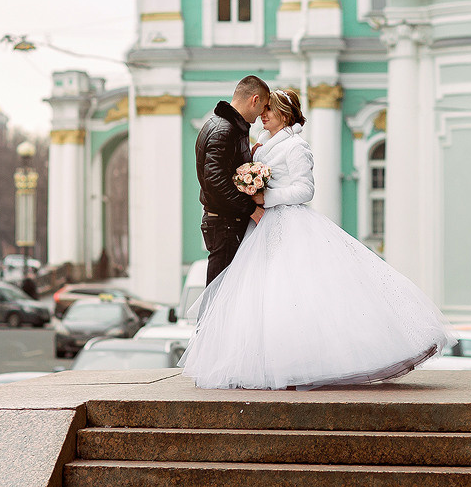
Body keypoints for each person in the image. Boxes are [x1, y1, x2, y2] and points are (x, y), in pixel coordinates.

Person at [181, 88, 454, 390]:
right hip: (263, 226)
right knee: (264, 295)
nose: (263, 114)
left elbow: (304, 190)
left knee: (294, 292)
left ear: (284, 114)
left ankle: (301, 366)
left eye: (269, 109)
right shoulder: (263, 146)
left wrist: (264, 197)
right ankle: (270, 364)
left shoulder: (297, 146)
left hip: (289, 223)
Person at [195, 75, 271, 286]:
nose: (262, 114)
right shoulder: (225, 131)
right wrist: (250, 209)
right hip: (226, 224)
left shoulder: (224, 126)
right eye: (263, 107)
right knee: (220, 293)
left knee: (225, 292)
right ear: (254, 100)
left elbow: (226, 171)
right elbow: (216, 181)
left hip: (224, 222)